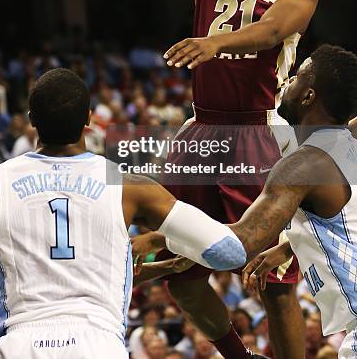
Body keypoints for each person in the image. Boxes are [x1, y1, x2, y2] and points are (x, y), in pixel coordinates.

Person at [45, 0, 321, 359]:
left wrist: (216, 43)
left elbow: (276, 27)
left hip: (255, 132)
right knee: (182, 273)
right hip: (201, 129)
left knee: (275, 276)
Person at [0, 69, 255, 359]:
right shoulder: (130, 187)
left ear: (31, 119)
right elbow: (227, 252)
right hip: (98, 344)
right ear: (89, 118)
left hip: (20, 343)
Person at [135, 45, 357, 359]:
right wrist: (289, 244)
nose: (285, 83)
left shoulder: (304, 164)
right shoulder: (347, 142)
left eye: (295, 79)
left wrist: (160, 232)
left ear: (309, 97)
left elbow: (235, 246)